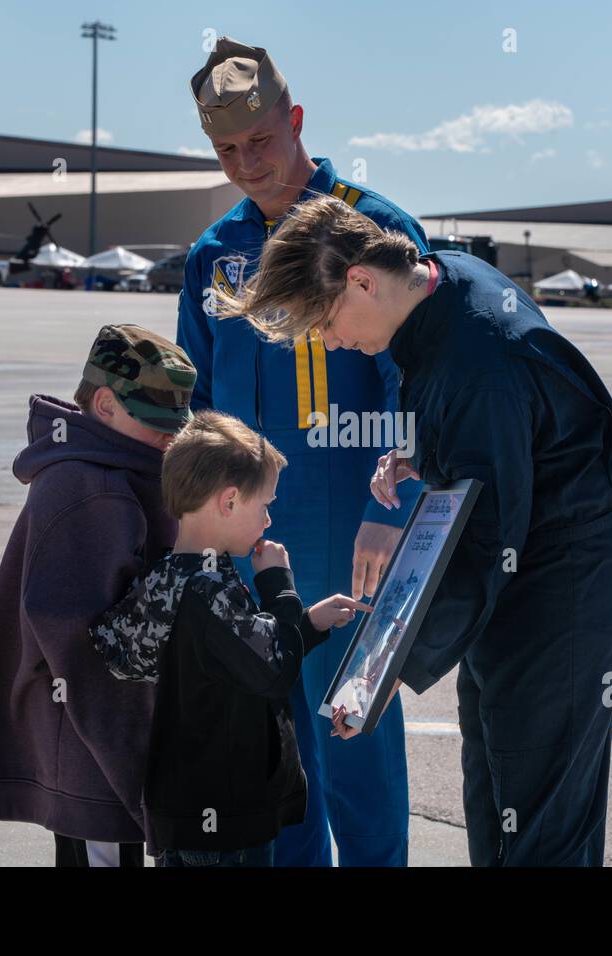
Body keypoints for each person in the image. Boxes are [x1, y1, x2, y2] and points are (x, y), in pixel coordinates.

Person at [212, 195, 612, 866]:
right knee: (499, 775)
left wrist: (389, 665)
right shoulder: (440, 281)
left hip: (569, 577)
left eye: (327, 321)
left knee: (537, 807)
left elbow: (489, 540)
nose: (332, 342)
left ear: (361, 279)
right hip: (535, 559)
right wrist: (429, 454)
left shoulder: (478, 356)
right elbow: (509, 441)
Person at [176, 35, 427, 866]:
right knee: (274, 756)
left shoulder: (373, 229)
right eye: (227, 150)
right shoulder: (213, 255)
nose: (247, 163)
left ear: (297, 119)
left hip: (356, 539)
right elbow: (200, 409)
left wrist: (389, 514)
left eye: (262, 141)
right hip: (251, 551)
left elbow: (416, 386)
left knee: (355, 745)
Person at [0, 325, 197, 867]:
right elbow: (83, 652)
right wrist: (139, 776)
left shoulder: (122, 469)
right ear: (105, 403)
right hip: (99, 755)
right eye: (155, 423)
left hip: (103, 749)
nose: (168, 439)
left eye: (175, 426)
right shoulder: (94, 488)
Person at [89, 410, 371, 866]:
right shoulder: (210, 590)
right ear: (230, 501)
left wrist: (308, 625)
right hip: (224, 819)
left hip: (186, 811)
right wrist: (279, 586)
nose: (267, 519)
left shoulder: (170, 577)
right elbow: (271, 670)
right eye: (265, 505)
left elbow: (236, 651)